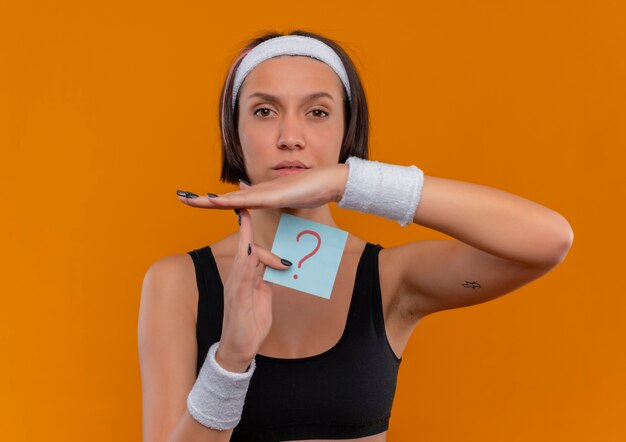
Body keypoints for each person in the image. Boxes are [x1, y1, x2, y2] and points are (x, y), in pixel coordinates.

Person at [138, 30, 574, 442]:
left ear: (348, 131)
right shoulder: (179, 283)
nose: (291, 137)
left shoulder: (391, 278)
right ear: (234, 131)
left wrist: (350, 183)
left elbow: (549, 240)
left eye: (318, 112)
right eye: (264, 111)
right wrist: (229, 363)